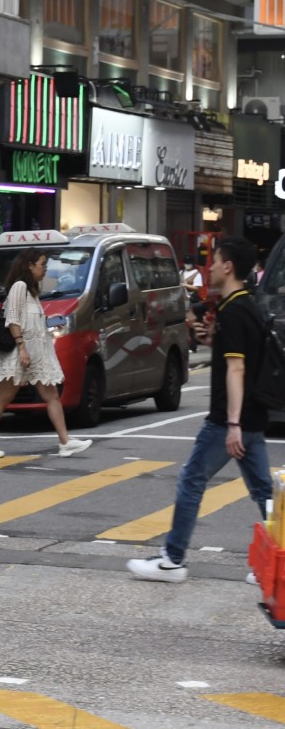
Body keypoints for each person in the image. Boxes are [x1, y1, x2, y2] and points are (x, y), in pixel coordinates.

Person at [128, 237, 272, 583]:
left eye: (215, 260)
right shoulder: (247, 305)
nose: (210, 268)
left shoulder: (235, 311)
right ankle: (275, 564)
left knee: (192, 480)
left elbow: (237, 369)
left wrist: (232, 423)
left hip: (228, 420)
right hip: (253, 416)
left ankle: (172, 560)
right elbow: (239, 357)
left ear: (228, 267)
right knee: (265, 493)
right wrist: (213, 340)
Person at [0, 248, 92, 459]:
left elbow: (31, 323)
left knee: (52, 395)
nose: (45, 268)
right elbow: (13, 320)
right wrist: (21, 347)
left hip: (36, 355)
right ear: (30, 265)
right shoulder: (19, 287)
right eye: (42, 264)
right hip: (20, 354)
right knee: (4, 397)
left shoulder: (32, 291)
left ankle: (65, 441)